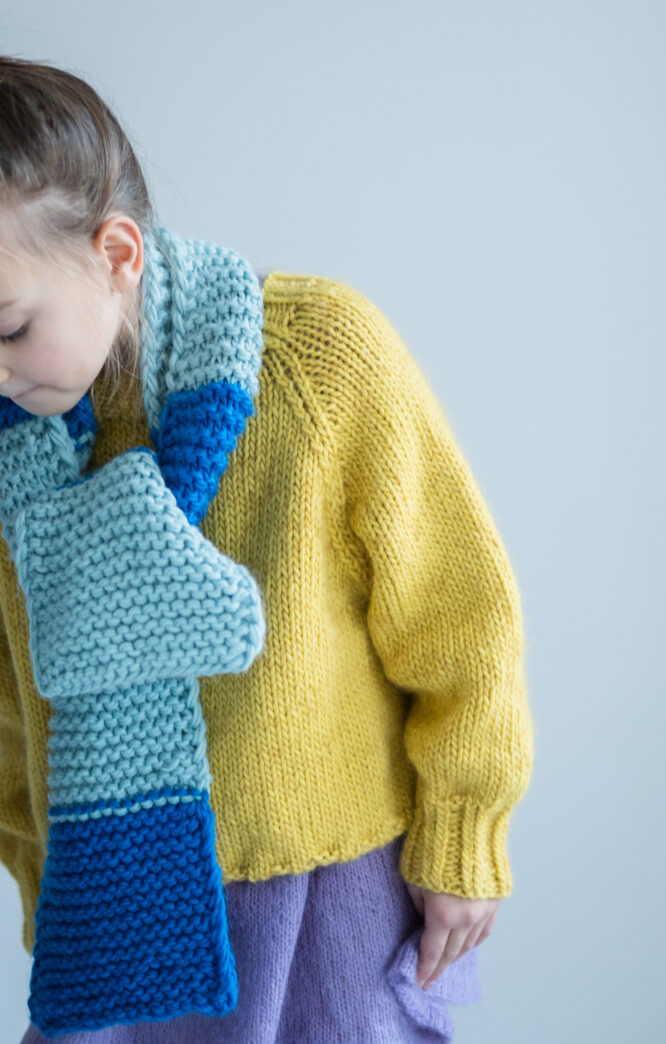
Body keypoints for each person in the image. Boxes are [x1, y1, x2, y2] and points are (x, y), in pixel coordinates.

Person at [0, 55, 534, 1043]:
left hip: (327, 899)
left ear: (115, 252)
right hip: (112, 903)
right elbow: (8, 699)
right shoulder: (15, 460)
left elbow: (458, 617)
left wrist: (466, 835)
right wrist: (47, 884)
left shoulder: (314, 359)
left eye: (10, 326)